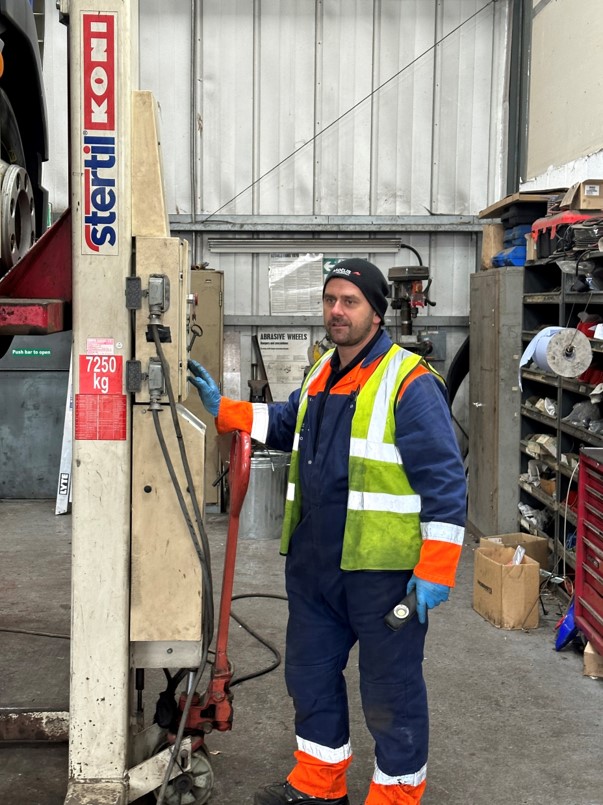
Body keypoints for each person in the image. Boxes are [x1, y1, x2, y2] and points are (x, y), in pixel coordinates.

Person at [188, 258, 466, 805]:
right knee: (310, 679)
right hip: (316, 566)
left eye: (350, 301)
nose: (336, 311)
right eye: (330, 299)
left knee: (391, 691)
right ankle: (318, 786)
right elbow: (288, 421)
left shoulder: (408, 381)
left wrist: (435, 569)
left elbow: (445, 479)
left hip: (383, 575)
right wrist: (229, 412)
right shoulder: (322, 371)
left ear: (376, 313)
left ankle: (395, 798)